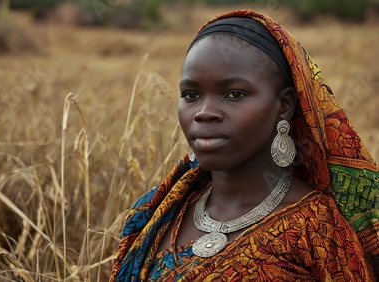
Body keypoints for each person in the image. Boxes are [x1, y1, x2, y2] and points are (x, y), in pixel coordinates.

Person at [110, 10, 378, 281]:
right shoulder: (156, 212)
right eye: (191, 95)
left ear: (283, 105)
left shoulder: (317, 228)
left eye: (234, 94)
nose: (204, 112)